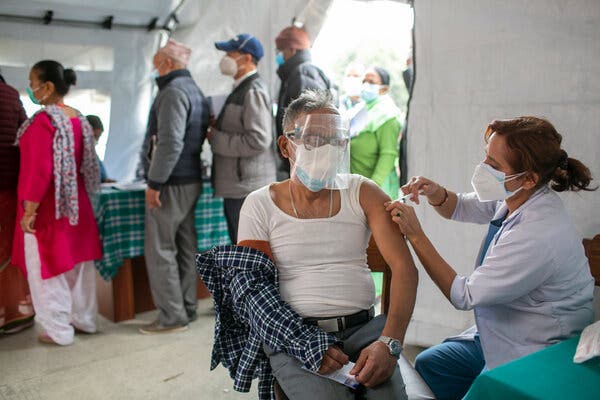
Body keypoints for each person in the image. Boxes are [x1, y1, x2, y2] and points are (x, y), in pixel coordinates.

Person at [386, 116, 595, 400]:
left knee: (485, 391)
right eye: (486, 158)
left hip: (533, 348)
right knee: (430, 364)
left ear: (530, 178)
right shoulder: (519, 196)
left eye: (494, 166)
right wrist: (435, 193)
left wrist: (416, 235)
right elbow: (461, 206)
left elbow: (463, 295)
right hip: (499, 331)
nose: (483, 169)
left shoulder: (538, 232)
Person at [237, 90, 418, 399]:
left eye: (336, 141)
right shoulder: (259, 204)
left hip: (366, 333)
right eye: (313, 140)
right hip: (294, 336)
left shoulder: (362, 192)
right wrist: (302, 342)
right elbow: (252, 292)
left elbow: (404, 268)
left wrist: (390, 342)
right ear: (286, 145)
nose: (326, 150)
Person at [12, 60, 102, 345]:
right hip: (79, 206)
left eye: (32, 81)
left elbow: (38, 170)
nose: (30, 88)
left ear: (48, 87)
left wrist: (30, 209)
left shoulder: (43, 121)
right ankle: (85, 320)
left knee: (47, 271)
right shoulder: (79, 118)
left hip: (50, 208)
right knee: (79, 268)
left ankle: (58, 331)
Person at [139, 39, 209, 334]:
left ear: (167, 63)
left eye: (157, 62)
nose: (154, 68)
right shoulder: (194, 90)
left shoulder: (172, 92)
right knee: (184, 246)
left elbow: (169, 142)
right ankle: (186, 308)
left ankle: (171, 316)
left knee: (160, 248)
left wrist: (155, 182)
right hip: (190, 178)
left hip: (171, 182)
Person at [210, 33, 276, 243]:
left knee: (248, 250)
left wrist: (216, 138)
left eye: (231, 53)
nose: (226, 58)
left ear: (247, 58)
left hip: (246, 187)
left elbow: (258, 139)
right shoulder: (241, 88)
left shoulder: (252, 90)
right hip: (240, 185)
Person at [0, 72, 35, 334]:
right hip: (9, 187)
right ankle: (15, 313)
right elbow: (25, 136)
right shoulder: (12, 95)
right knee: (10, 250)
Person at [274, 25, 332, 179]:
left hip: (305, 164)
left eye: (281, 50)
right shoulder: (296, 74)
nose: (279, 55)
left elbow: (309, 123)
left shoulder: (303, 74)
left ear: (292, 49)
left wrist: (302, 161)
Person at [350, 66, 402, 200]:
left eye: (371, 82)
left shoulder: (388, 115)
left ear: (384, 89)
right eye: (364, 81)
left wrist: (373, 187)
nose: (366, 85)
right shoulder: (360, 109)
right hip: (357, 186)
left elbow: (388, 154)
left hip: (376, 189)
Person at [85, 114, 114, 183]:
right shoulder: (79, 154)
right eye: (94, 136)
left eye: (98, 137)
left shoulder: (93, 154)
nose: (96, 140)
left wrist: (105, 180)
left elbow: (101, 174)